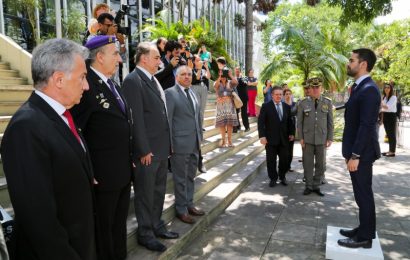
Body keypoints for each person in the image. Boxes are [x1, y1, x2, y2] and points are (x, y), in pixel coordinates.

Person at [0, 38, 97, 260]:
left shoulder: (61, 115)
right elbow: (38, 218)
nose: (87, 86)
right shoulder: (26, 127)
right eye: (82, 77)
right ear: (59, 79)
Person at [71, 35, 133, 260]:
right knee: (104, 230)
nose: (119, 59)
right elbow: (76, 133)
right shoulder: (85, 88)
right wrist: (89, 170)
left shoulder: (113, 84)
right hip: (103, 176)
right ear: (99, 56)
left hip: (123, 172)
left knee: (118, 227)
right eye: (115, 54)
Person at [121, 42, 177, 252]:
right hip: (147, 153)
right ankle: (145, 234)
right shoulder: (133, 81)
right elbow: (135, 120)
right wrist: (143, 149)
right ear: (143, 58)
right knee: (145, 195)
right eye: (156, 57)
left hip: (161, 149)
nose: (159, 61)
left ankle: (157, 225)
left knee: (158, 192)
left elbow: (160, 117)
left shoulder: (153, 80)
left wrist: (168, 146)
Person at [338, 48, 381, 249]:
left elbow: (367, 125)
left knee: (363, 193)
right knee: (360, 193)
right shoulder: (359, 87)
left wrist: (355, 155)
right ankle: (364, 228)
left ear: (362, 64)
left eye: (351, 60)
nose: (349, 63)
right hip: (356, 151)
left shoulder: (369, 89)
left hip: (361, 153)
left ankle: (365, 237)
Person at [165, 65, 206, 225]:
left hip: (195, 143)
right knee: (180, 179)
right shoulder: (170, 93)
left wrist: (200, 138)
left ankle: (189, 204)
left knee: (190, 176)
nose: (187, 77)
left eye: (189, 74)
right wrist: (170, 145)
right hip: (179, 144)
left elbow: (197, 118)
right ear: (177, 76)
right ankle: (181, 210)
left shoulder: (194, 92)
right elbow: (167, 121)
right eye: (183, 74)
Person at [297, 77, 333, 197]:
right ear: (310, 89)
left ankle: (316, 185)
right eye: (313, 87)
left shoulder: (327, 102)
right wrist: (300, 138)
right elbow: (299, 122)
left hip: (321, 139)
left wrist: (330, 137)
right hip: (307, 138)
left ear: (321, 88)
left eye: (318, 87)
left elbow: (330, 122)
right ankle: (308, 185)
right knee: (307, 163)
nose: (316, 89)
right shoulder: (303, 103)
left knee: (321, 164)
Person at [258, 86, 295, 187]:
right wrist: (262, 136)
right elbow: (261, 122)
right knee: (271, 161)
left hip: (284, 139)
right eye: (277, 94)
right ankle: (273, 178)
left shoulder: (286, 107)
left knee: (284, 160)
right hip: (270, 139)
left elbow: (290, 122)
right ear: (272, 95)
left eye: (280, 94)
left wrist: (292, 133)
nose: (279, 96)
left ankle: (282, 176)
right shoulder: (266, 106)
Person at [191, 55, 211, 173]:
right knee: (197, 111)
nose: (200, 61)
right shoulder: (192, 69)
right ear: (194, 62)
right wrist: (199, 68)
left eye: (200, 60)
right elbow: (197, 78)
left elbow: (208, 77)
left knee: (202, 112)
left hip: (203, 88)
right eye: (198, 60)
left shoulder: (203, 69)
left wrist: (206, 67)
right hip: (195, 87)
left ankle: (200, 126)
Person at [214, 57, 239, 147]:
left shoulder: (230, 82)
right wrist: (219, 76)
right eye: (222, 76)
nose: (224, 77)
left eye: (224, 76)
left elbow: (236, 82)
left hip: (229, 105)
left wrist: (230, 75)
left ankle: (230, 141)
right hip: (221, 105)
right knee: (222, 124)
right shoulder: (217, 82)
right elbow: (215, 86)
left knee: (230, 124)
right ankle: (223, 141)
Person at [381, 82, 397, 157]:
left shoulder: (393, 97)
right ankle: (390, 150)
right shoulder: (384, 97)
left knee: (392, 134)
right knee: (388, 134)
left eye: (388, 87)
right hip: (385, 116)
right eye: (385, 87)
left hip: (391, 116)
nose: (386, 89)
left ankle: (392, 152)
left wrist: (380, 101)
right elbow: (382, 109)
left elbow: (387, 107)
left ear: (391, 89)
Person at [284, 88, 297, 172]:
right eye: (286, 94)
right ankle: (284, 166)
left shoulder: (295, 104)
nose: (288, 95)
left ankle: (288, 166)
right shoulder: (281, 104)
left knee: (290, 149)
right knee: (284, 149)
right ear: (284, 96)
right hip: (283, 129)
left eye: (289, 94)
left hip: (292, 128)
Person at [234, 67, 250, 132]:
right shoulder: (233, 78)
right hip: (236, 98)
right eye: (236, 70)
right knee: (236, 112)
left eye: (238, 71)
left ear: (240, 71)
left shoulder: (244, 77)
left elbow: (245, 83)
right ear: (234, 71)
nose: (237, 72)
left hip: (243, 98)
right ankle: (238, 127)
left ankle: (247, 127)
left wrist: (240, 78)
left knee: (244, 113)